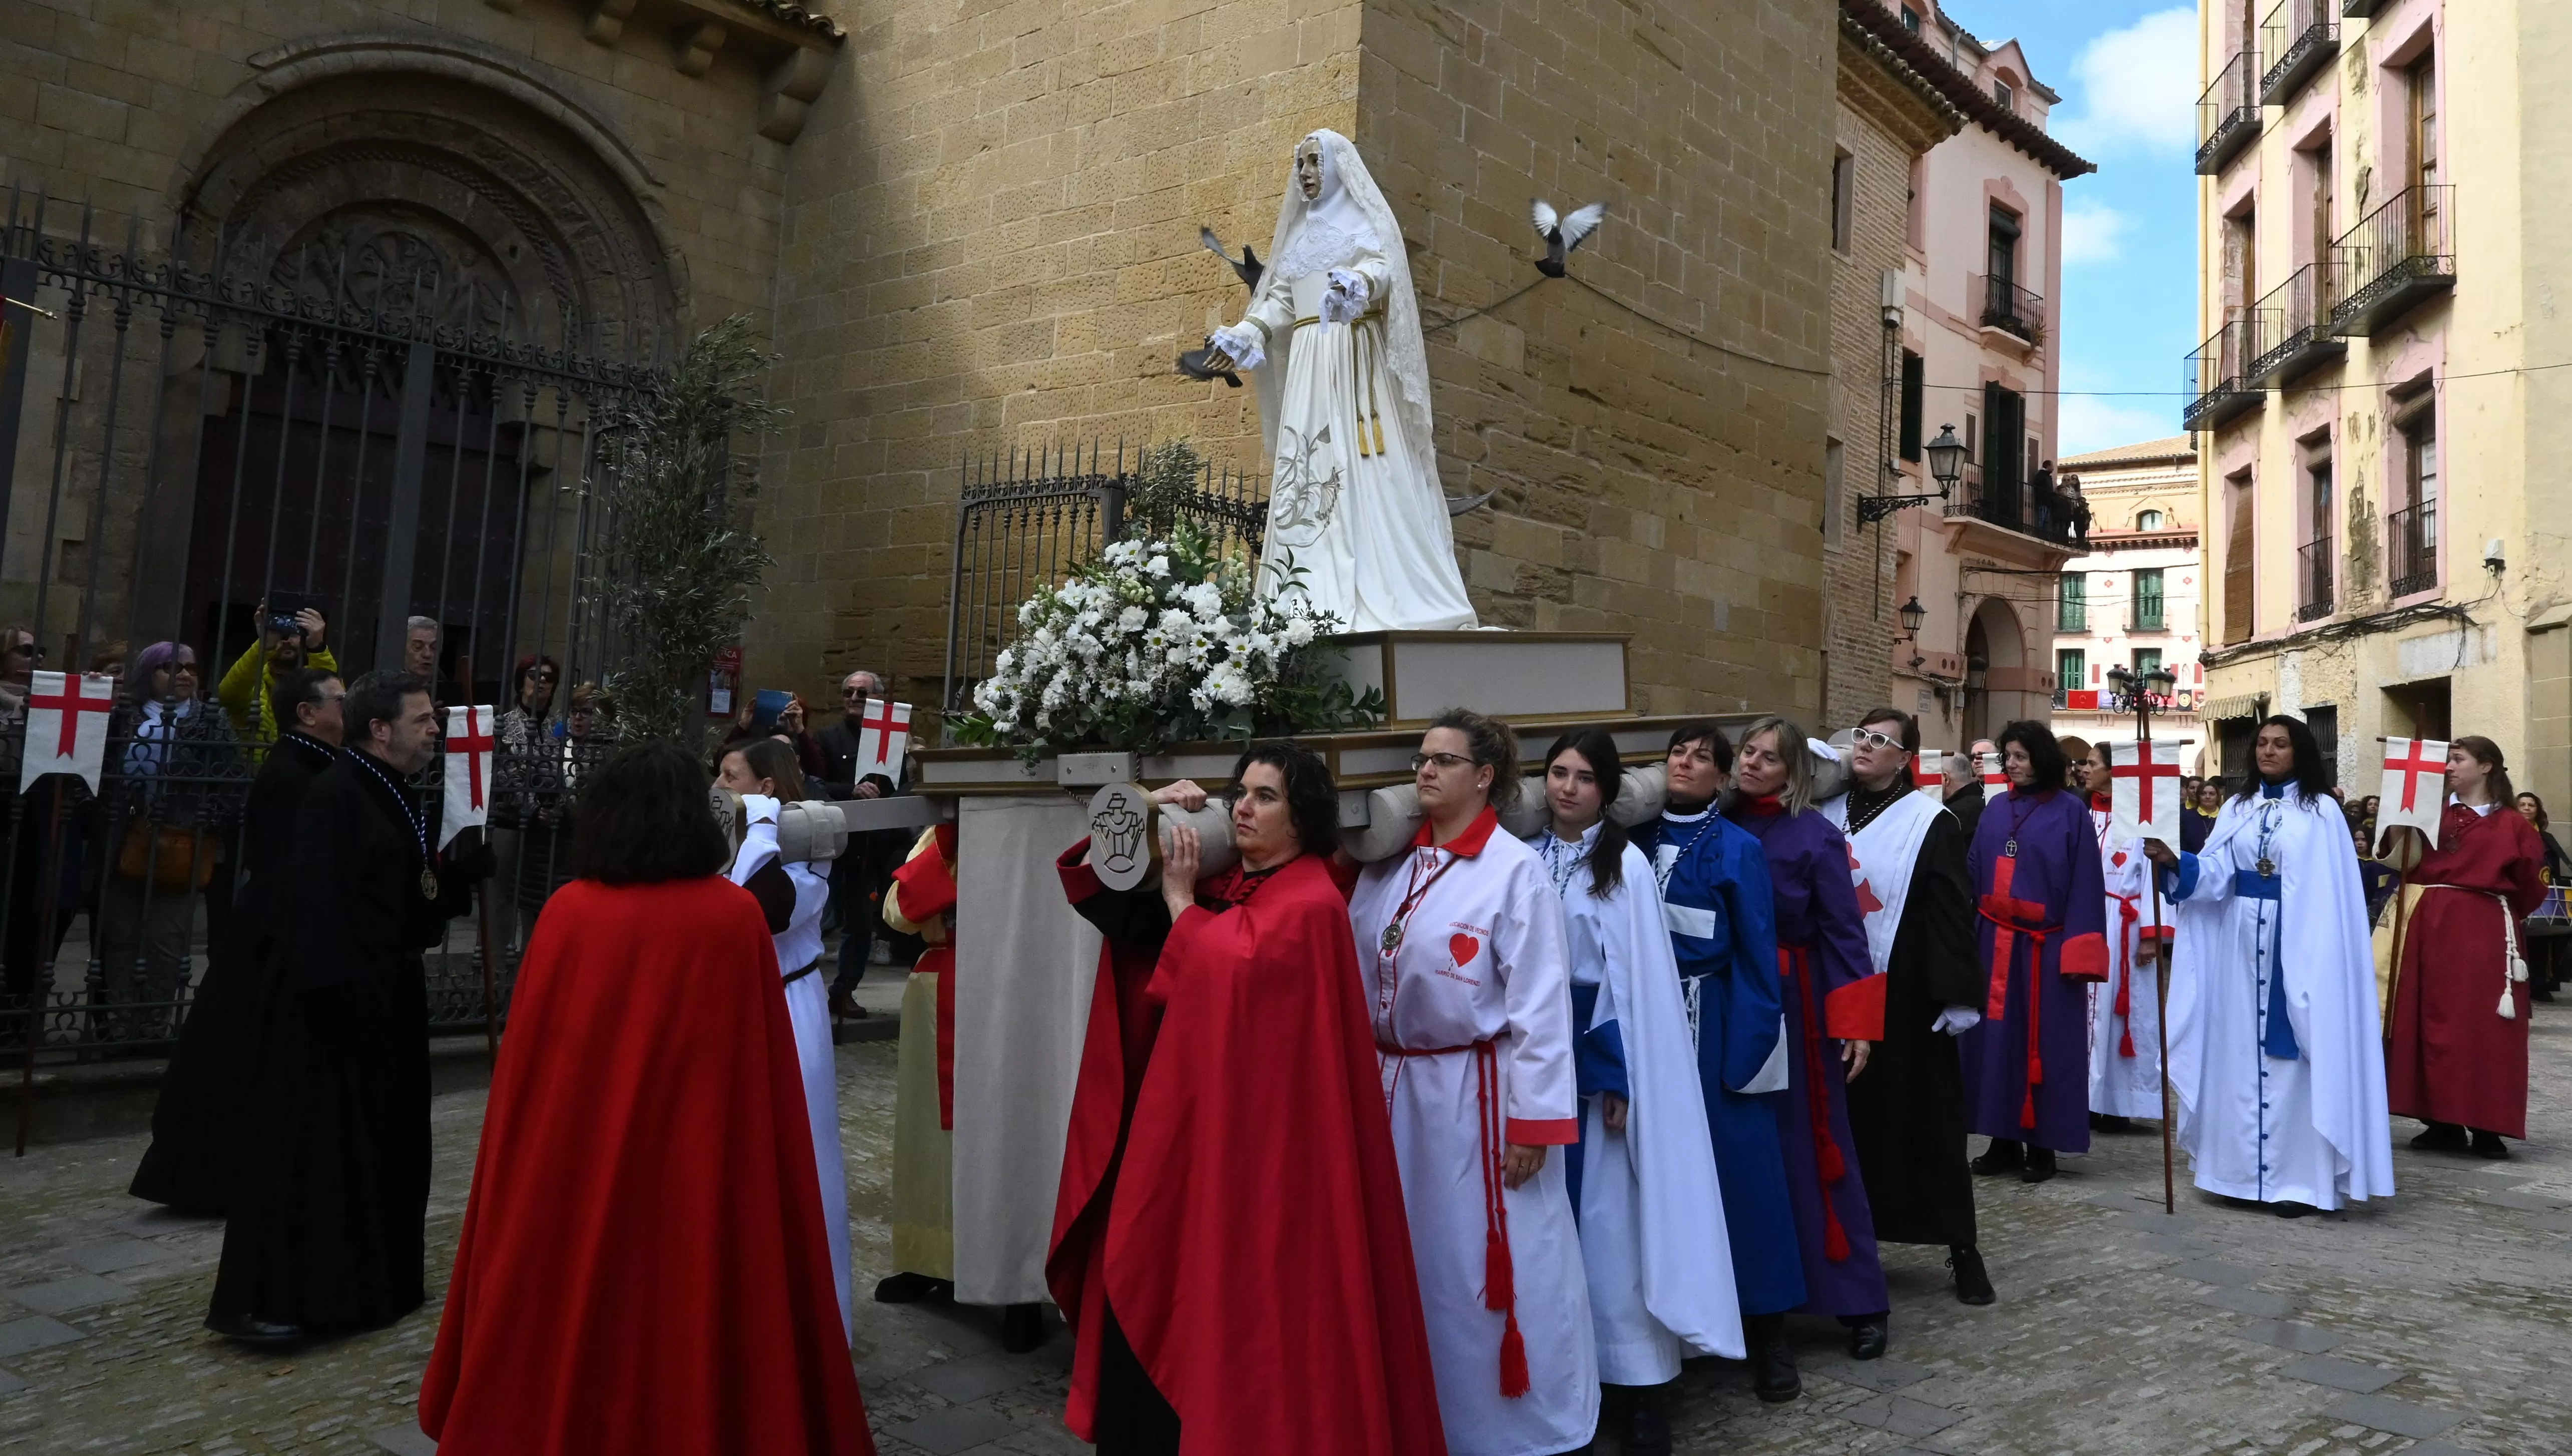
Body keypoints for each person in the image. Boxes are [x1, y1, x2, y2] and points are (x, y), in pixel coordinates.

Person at [419, 741, 875, 1455]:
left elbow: (533, 1078)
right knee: (690, 1307)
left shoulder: (569, 914)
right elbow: (757, 1081)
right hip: (697, 1175)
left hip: (576, 1169)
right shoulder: (727, 918)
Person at [1047, 743, 1445, 1456]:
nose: (1243, 807)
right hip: (1189, 1141)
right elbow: (1104, 897)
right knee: (1146, 1271)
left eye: (1266, 797)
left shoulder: (1311, 902)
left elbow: (1234, 969)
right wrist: (1147, 807)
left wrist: (1179, 905)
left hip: (1263, 1172)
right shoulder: (1227, 882)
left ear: (1304, 819)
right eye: (1243, 792)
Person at [205, 670, 488, 1342]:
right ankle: (283, 1297)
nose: (434, 730)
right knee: (314, 1157)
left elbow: (399, 896)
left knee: (376, 1151)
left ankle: (369, 1285)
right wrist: (346, 1000)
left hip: (382, 997)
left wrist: (453, 882)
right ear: (380, 728)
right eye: (423, 719)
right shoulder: (333, 796)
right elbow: (316, 908)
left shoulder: (390, 790)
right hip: (332, 1009)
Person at [1346, 709, 1593, 1453]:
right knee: (1412, 1263)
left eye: (1444, 760)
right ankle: (1418, 1416)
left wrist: (1532, 1124)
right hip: (1396, 1095)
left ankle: (1510, 1426)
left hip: (1477, 1100)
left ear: (1484, 777)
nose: (1425, 770)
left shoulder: (1514, 873)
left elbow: (1541, 1008)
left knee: (1481, 1270)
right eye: (1422, 758)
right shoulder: (1388, 864)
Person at [1530, 730, 1738, 1453]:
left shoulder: (1623, 867)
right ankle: (1567, 1377)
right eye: (1557, 773)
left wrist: (1617, 1075)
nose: (1567, 788)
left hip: (1599, 1072)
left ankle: (1640, 1388)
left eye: (1584, 778)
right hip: (1540, 1067)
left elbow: (1630, 982)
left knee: (1614, 1232)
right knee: (1551, 1235)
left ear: (1607, 791)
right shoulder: (1526, 860)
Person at [1199, 130, 1478, 631]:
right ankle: (1301, 592)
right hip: (1309, 362)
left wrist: (1360, 283)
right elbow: (1280, 301)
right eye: (1300, 163)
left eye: (1314, 162)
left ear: (1337, 167)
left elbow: (1384, 267)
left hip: (1353, 361)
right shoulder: (1299, 236)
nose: (1305, 172)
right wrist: (1246, 332)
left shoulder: (1363, 224)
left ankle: (1381, 580)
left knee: (1365, 467)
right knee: (1308, 464)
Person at [2144, 716, 2391, 1215]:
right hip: (2238, 950)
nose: (2268, 751)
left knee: (2295, 1060)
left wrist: (2308, 952)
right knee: (2237, 1054)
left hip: (2301, 948)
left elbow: (2330, 894)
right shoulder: (2237, 807)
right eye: (2261, 743)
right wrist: (2179, 863)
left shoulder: (2321, 812)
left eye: (2279, 744)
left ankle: (2298, 1183)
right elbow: (2218, 876)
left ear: (2298, 751)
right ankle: (2235, 1175)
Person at [1630, 721, 1801, 1401]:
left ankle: (1769, 1333)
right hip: (1646, 1026)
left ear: (1722, 778)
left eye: (1703, 757)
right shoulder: (1633, 844)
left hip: (1715, 1027)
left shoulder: (1736, 850)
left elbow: (1760, 957)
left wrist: (1748, 1053)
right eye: (1679, 752)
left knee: (1745, 1178)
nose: (1687, 763)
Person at [130, 668, 340, 1213]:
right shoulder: (295, 774)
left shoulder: (312, 765)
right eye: (340, 700)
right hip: (272, 932)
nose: (351, 708)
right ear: (307, 712)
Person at [1722, 720, 1892, 1358]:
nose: (1755, 764)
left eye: (1770, 758)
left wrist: (1853, 1025)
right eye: (1748, 752)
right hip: (1723, 1006)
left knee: (1814, 1147)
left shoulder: (1815, 837)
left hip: (1796, 1010)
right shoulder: (1714, 828)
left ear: (1793, 774)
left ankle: (1856, 1299)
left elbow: (1846, 933)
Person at [1820, 709, 1993, 1307]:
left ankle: (1961, 1247)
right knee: (1842, 1123)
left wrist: (1958, 991)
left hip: (1904, 992)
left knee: (1925, 1121)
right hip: (1832, 988)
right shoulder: (1824, 809)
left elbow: (1950, 907)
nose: (1866, 747)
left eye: (1881, 741)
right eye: (1861, 736)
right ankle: (1843, 1238)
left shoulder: (1930, 822)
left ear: (1905, 758)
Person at [717, 737, 850, 1337]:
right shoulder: (723, 842)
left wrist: (764, 830)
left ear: (766, 787)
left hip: (791, 1004)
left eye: (730, 775)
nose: (717, 787)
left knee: (801, 1153)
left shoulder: (808, 848)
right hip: (736, 1006)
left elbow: (763, 908)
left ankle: (812, 1319)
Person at [2385, 736, 2547, 1160]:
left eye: (2458, 759)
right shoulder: (2428, 815)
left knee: (2483, 1027)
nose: (2449, 767)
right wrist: (2401, 821)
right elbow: (2399, 859)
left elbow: (2530, 884)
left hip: (2484, 931)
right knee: (2431, 1020)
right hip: (2429, 927)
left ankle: (2487, 1124)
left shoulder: (2514, 824)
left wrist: (2489, 915)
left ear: (2487, 766)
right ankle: (2440, 1121)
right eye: (2447, 760)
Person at [1960, 721, 2108, 1184]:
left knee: (2043, 1043)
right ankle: (2000, 1140)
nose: (2011, 764)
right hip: (1992, 943)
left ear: (2041, 759)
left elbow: (2086, 882)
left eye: (2020, 756)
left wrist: (2079, 953)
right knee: (1993, 1043)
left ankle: (2041, 1146)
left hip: (2045, 948)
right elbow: (1971, 872)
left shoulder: (2070, 813)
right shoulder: (1993, 809)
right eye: (2007, 756)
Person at [96, 642, 240, 1047]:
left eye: (191, 668)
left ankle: (153, 1027)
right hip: (124, 841)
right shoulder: (122, 716)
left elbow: (231, 782)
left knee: (167, 940)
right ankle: (119, 1025)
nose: (184, 675)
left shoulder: (211, 720)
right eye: (170, 667)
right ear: (148, 673)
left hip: (182, 845)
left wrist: (201, 819)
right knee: (121, 938)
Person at [875, 821, 959, 1306]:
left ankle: (1016, 1285)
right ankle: (925, 1259)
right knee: (925, 1135)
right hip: (936, 984)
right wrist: (944, 849)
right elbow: (897, 912)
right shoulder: (937, 835)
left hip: (1011, 984)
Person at [2077, 741, 2166, 1133]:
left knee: (2122, 1016)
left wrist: (2150, 932)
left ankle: (2117, 1101)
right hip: (2088, 920)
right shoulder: (2083, 814)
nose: (2084, 769)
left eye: (2092, 764)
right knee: (2083, 1014)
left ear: (2114, 772)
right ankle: (2083, 1096)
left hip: (2125, 927)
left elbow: (2154, 874)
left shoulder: (2141, 818)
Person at [488, 654, 560, 953]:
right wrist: (533, 809)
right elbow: (506, 773)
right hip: (509, 822)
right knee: (500, 899)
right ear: (521, 683)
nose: (541, 682)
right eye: (534, 675)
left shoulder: (560, 727)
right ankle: (491, 971)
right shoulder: (503, 724)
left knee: (540, 902)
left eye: (548, 678)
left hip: (549, 829)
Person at [217, 600, 338, 750]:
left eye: (294, 631)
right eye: (279, 631)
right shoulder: (252, 680)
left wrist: (317, 647)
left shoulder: (311, 682)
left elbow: (334, 698)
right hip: (253, 771)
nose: (286, 640)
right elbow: (226, 697)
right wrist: (264, 645)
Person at [1943, 738, 1992, 843]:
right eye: (1973, 757)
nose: (1976, 761)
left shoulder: (2009, 788)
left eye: (1983, 756)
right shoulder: (1969, 791)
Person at [2183, 779, 2224, 854]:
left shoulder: (2225, 817)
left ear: (2218, 797)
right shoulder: (2186, 817)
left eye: (2212, 794)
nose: (2208, 797)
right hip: (2193, 861)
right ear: (2199, 796)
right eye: (2203, 794)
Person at [403, 617, 440, 695]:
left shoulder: (443, 683)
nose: (427, 654)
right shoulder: (388, 687)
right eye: (418, 646)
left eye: (434, 647)